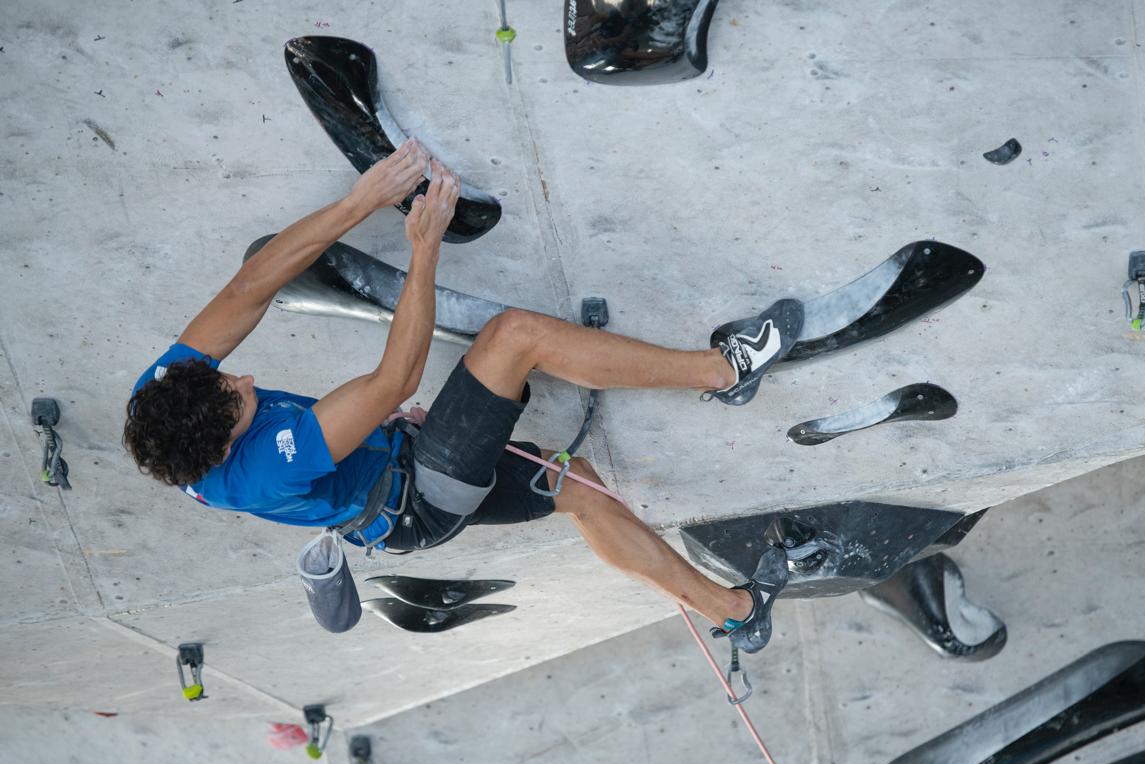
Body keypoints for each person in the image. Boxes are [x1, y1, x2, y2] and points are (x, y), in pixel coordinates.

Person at [124, 140, 803, 653]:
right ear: (223, 445)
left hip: (389, 483)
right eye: (237, 399)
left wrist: (358, 204)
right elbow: (394, 381)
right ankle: (726, 369)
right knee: (513, 338)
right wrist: (425, 246)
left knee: (580, 488)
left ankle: (734, 610)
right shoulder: (263, 466)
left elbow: (250, 287)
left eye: (226, 374)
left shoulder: (161, 400)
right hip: (419, 493)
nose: (243, 379)